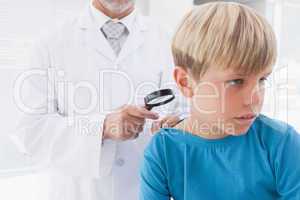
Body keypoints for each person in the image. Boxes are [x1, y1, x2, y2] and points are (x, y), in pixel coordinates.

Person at [10, 0, 184, 199]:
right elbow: (30, 131)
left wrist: (176, 126)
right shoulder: (49, 41)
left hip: (145, 190)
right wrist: (102, 127)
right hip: (77, 192)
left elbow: (185, 113)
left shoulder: (168, 40)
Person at [140, 2, 300, 199]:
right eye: (236, 81)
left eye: (262, 79)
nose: (255, 98)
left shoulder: (281, 143)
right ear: (186, 83)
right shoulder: (164, 150)